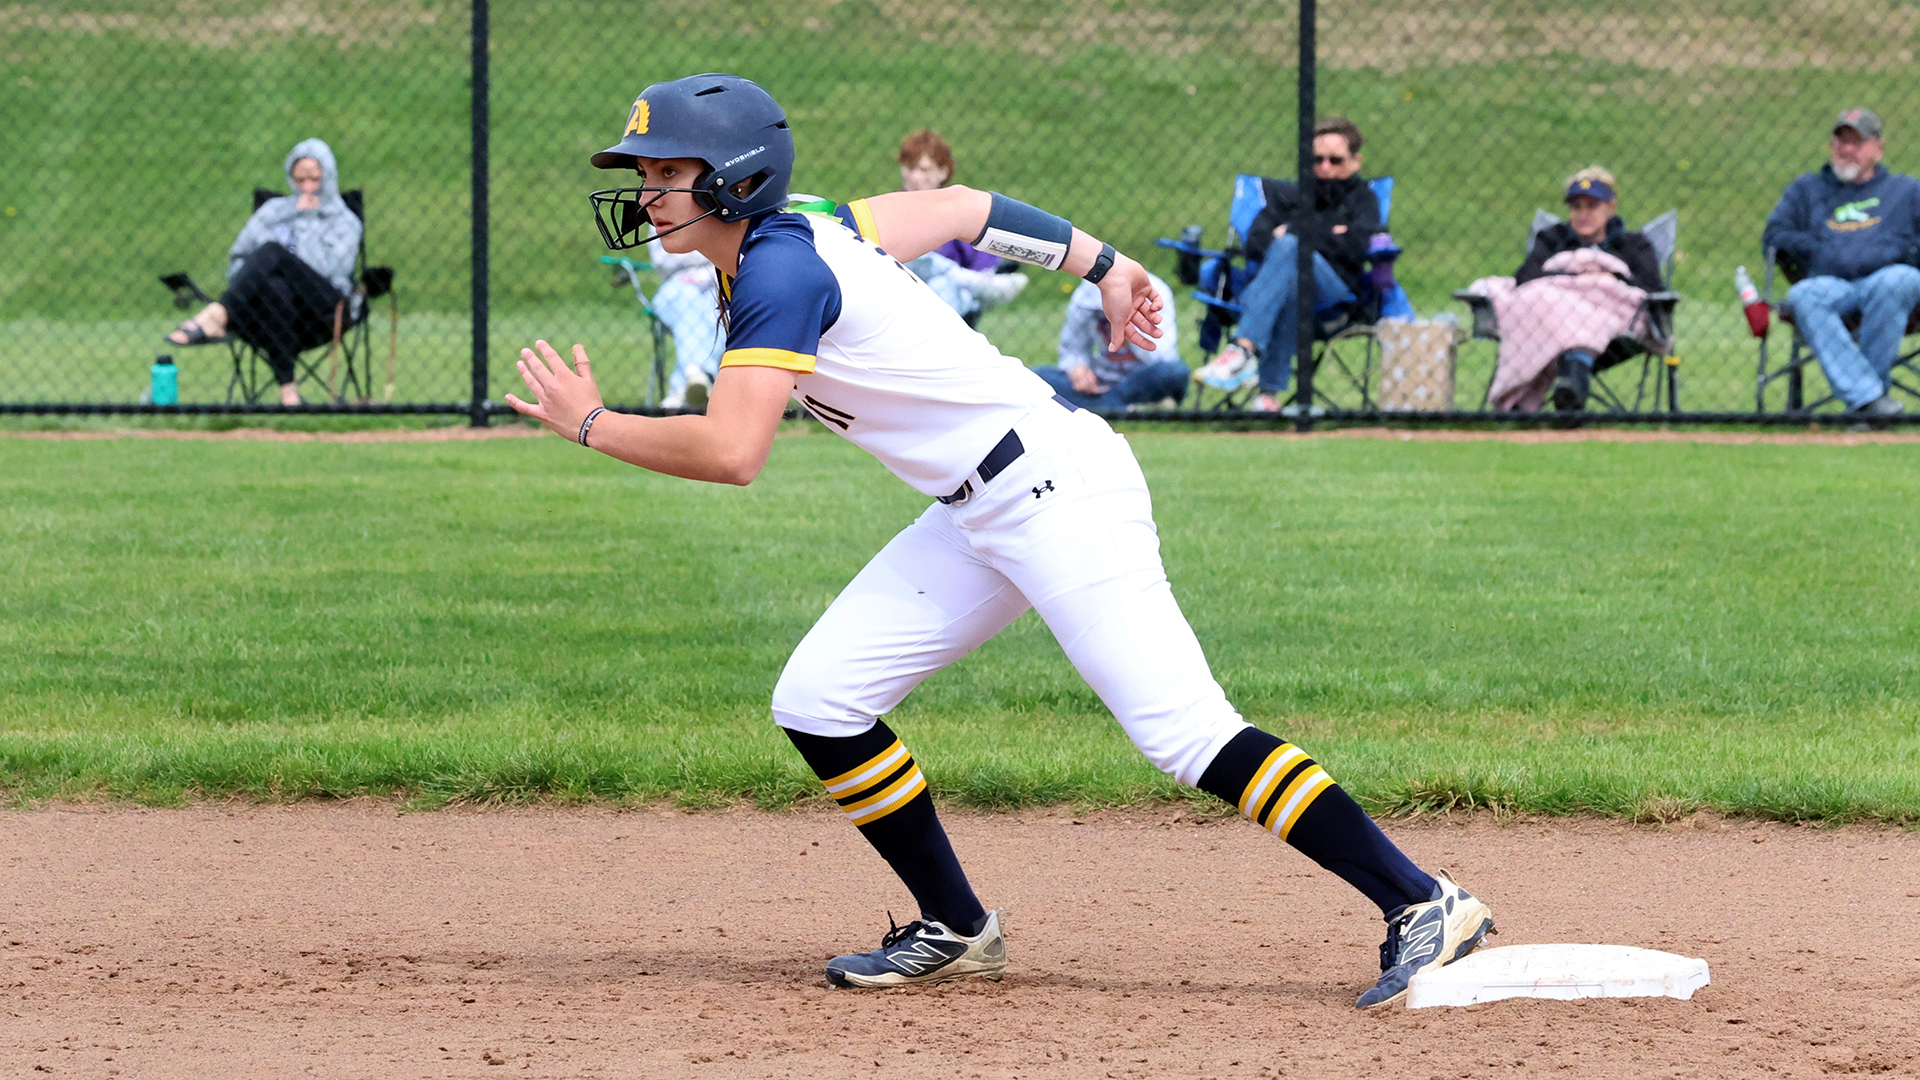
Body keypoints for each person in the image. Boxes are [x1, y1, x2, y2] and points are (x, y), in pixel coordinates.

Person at [527, 74, 1492, 1008]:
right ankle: (956, 925)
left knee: (1185, 733)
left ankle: (1422, 898)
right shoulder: (799, 226)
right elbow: (957, 208)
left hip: (1059, 492)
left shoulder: (780, 270)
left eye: (665, 173)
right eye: (645, 174)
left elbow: (735, 451)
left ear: (734, 179)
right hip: (979, 507)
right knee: (821, 700)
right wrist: (1103, 267)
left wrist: (590, 424)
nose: (646, 193)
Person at [1193, 118, 1378, 412]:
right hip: (1292, 293)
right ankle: (1268, 396)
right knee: (1291, 278)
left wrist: (1294, 232)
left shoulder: (1363, 200)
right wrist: (1329, 234)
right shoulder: (1291, 195)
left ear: (1356, 162)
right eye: (1317, 159)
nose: (1325, 167)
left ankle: (1243, 349)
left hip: (1335, 299)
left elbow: (1357, 247)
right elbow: (1255, 242)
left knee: (1291, 248)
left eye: (1336, 160)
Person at [165, 139, 362, 406]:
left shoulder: (346, 222)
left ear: (329, 177)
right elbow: (238, 260)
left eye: (315, 180)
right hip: (273, 312)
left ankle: (217, 314)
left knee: (272, 251)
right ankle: (288, 392)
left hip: (324, 308)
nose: (307, 188)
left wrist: (305, 223)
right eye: (299, 180)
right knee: (275, 289)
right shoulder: (272, 212)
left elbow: (329, 270)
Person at [1763, 108, 1920, 418]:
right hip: (1832, 285)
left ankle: (1866, 401)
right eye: (1840, 141)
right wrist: (1818, 250)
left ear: (1877, 148)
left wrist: (1895, 251)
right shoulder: (1807, 190)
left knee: (1896, 280)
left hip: (1888, 283)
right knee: (1803, 296)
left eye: (1856, 142)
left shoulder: (1906, 191)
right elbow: (1774, 236)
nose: (1847, 150)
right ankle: (1870, 400)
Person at [1509, 167, 1665, 411]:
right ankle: (1571, 389)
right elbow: (1525, 279)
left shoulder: (1633, 245)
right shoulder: (1552, 239)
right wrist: (1575, 276)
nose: (1583, 214)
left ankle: (1568, 389)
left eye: (1592, 206)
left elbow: (1651, 289)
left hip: (1613, 326)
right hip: (1552, 322)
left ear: (1610, 208)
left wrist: (1607, 278)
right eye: (1576, 207)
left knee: (1580, 319)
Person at [895, 128, 1027, 322]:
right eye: (910, 168)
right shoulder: (891, 208)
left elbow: (984, 266)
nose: (915, 177)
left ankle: (961, 280)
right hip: (899, 294)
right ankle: (966, 280)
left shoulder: (956, 211)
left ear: (942, 172)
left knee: (943, 286)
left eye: (924, 170)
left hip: (947, 303)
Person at [1034, 271, 1188, 410]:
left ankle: (1100, 406)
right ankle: (1119, 407)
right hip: (1100, 380)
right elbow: (1073, 349)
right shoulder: (1085, 295)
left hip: (1142, 381)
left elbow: (1162, 355)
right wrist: (1078, 370)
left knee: (1175, 371)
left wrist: (1128, 322)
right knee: (1037, 376)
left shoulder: (1155, 290)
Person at [648, 237, 726, 409]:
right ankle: (702, 376)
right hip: (676, 286)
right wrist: (706, 252)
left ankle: (685, 385)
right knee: (688, 298)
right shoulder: (656, 212)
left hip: (716, 282)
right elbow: (662, 260)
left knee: (718, 307)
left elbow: (730, 253)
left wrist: (691, 253)